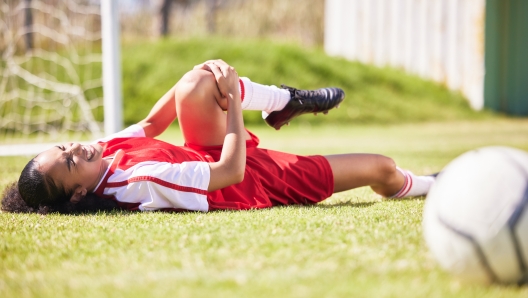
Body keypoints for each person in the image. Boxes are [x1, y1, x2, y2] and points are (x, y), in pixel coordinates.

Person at [1, 60, 435, 214]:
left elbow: (152, 125)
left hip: (204, 152)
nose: (76, 148)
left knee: (198, 81)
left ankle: (284, 100)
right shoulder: (138, 182)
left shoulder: (102, 152)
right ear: (79, 194)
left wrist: (198, 75)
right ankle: (432, 184)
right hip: (250, 180)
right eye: (71, 162)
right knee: (382, 167)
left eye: (64, 147)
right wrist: (230, 100)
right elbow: (229, 172)